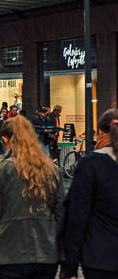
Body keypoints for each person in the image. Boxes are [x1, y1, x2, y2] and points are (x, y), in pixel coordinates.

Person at [0, 115, 64, 279]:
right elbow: (61, 217)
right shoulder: (53, 170)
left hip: (10, 256)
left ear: (5, 140)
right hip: (46, 257)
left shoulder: (1, 171)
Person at [62, 109, 118, 279]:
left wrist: (69, 267)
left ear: (100, 132)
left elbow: (77, 217)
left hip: (99, 258)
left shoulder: (90, 164)